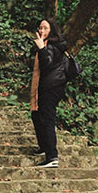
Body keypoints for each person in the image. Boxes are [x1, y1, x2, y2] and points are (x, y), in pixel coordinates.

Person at [29, 17, 69, 168]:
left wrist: (41, 48)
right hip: (45, 85)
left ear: (52, 30)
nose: (41, 31)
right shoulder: (47, 44)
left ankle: (52, 156)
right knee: (36, 115)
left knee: (47, 118)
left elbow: (47, 64)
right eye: (40, 28)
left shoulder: (53, 45)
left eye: (45, 28)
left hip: (52, 87)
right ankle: (44, 147)